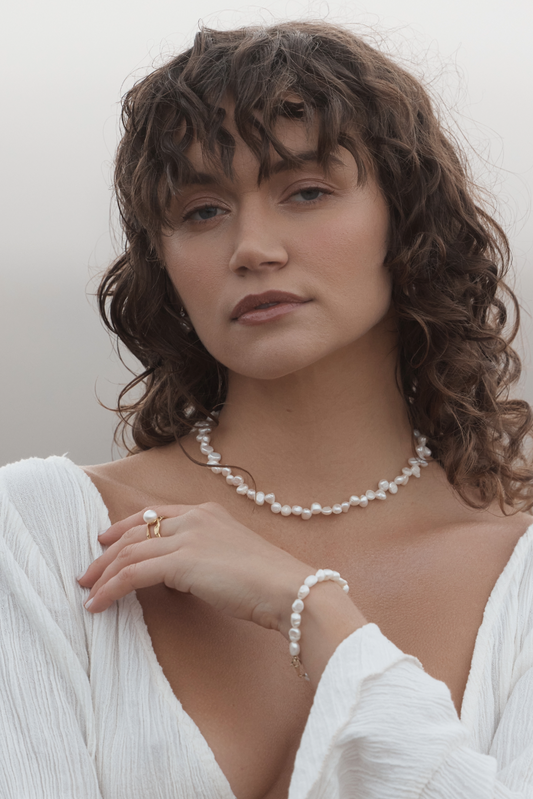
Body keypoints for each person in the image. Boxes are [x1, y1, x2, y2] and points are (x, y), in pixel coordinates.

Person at [1, 19, 532, 799]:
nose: (251, 246)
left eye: (306, 192)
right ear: (164, 261)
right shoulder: (44, 533)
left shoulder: (517, 572)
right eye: (201, 211)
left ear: (407, 221)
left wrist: (314, 611)